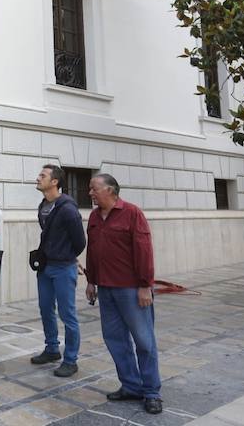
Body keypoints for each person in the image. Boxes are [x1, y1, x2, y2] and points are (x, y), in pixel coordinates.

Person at [86, 173, 162, 415]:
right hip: (106, 289)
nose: (90, 193)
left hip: (131, 289)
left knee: (144, 341)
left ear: (110, 190)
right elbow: (92, 251)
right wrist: (91, 281)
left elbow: (144, 251)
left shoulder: (132, 213)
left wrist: (144, 285)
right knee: (115, 340)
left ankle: (151, 391)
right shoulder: (94, 217)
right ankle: (131, 385)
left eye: (94, 189)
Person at [31, 164, 86, 377]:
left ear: (55, 182)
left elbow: (79, 242)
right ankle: (52, 349)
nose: (38, 178)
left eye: (42, 175)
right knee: (45, 308)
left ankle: (71, 359)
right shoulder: (44, 205)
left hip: (63, 268)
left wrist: (67, 257)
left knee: (67, 314)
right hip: (46, 267)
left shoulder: (68, 209)